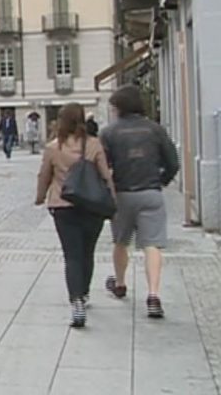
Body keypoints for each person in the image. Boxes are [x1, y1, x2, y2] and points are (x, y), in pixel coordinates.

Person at [100, 85, 180, 319]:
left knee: (120, 241)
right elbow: (173, 162)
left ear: (119, 108)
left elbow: (103, 166)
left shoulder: (109, 132)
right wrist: (161, 181)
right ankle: (154, 295)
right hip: (151, 192)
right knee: (152, 244)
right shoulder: (155, 130)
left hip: (122, 193)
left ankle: (121, 283)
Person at [36, 103, 114, 328]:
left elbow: (44, 176)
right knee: (87, 252)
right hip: (92, 206)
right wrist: (113, 201)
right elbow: (105, 175)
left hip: (63, 206)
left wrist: (40, 197)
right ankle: (85, 293)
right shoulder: (93, 145)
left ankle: (76, 301)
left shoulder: (53, 147)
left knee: (72, 255)